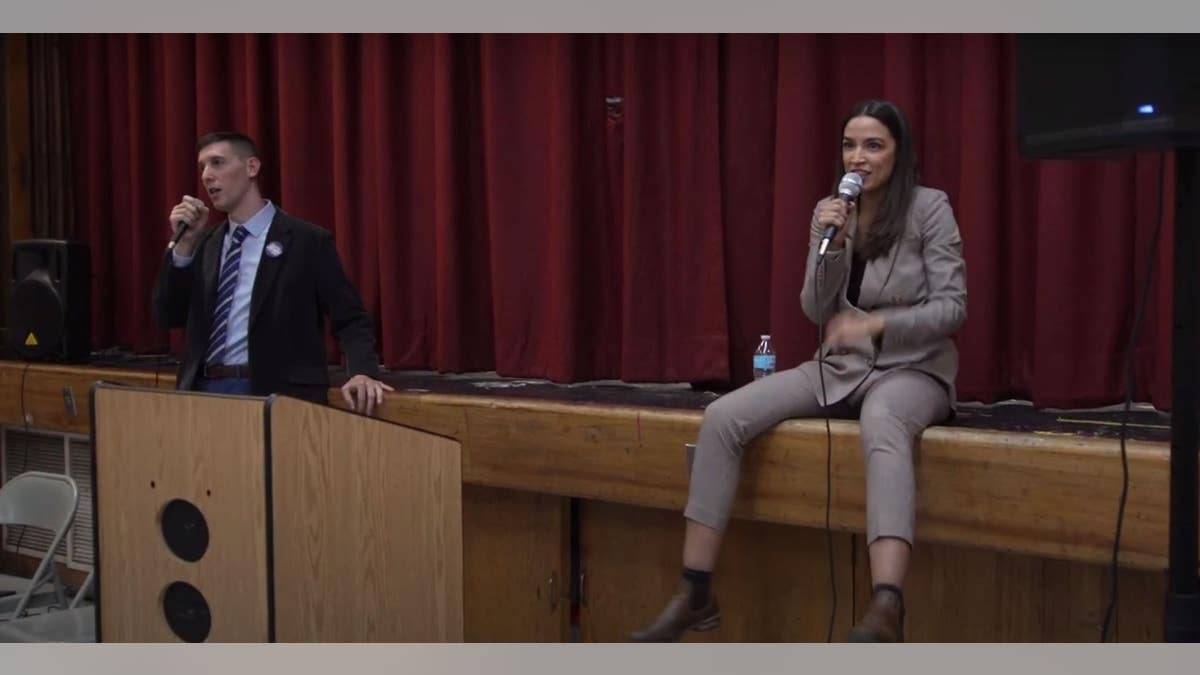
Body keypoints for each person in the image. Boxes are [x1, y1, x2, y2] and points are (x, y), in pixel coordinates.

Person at [630, 100, 967, 643]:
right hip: (838, 369)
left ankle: (887, 606)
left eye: (873, 145)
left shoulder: (929, 210)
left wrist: (875, 326)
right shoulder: (831, 212)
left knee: (882, 421)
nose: (858, 158)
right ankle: (694, 592)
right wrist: (829, 244)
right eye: (849, 145)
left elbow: (953, 308)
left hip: (913, 370)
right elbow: (814, 308)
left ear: (899, 154)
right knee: (723, 416)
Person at [153, 131, 393, 413]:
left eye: (217, 163)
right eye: (203, 167)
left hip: (276, 394)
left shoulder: (306, 241)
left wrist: (362, 371)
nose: (207, 175)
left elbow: (351, 318)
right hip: (204, 389)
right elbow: (169, 315)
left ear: (251, 167)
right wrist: (183, 247)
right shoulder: (204, 243)